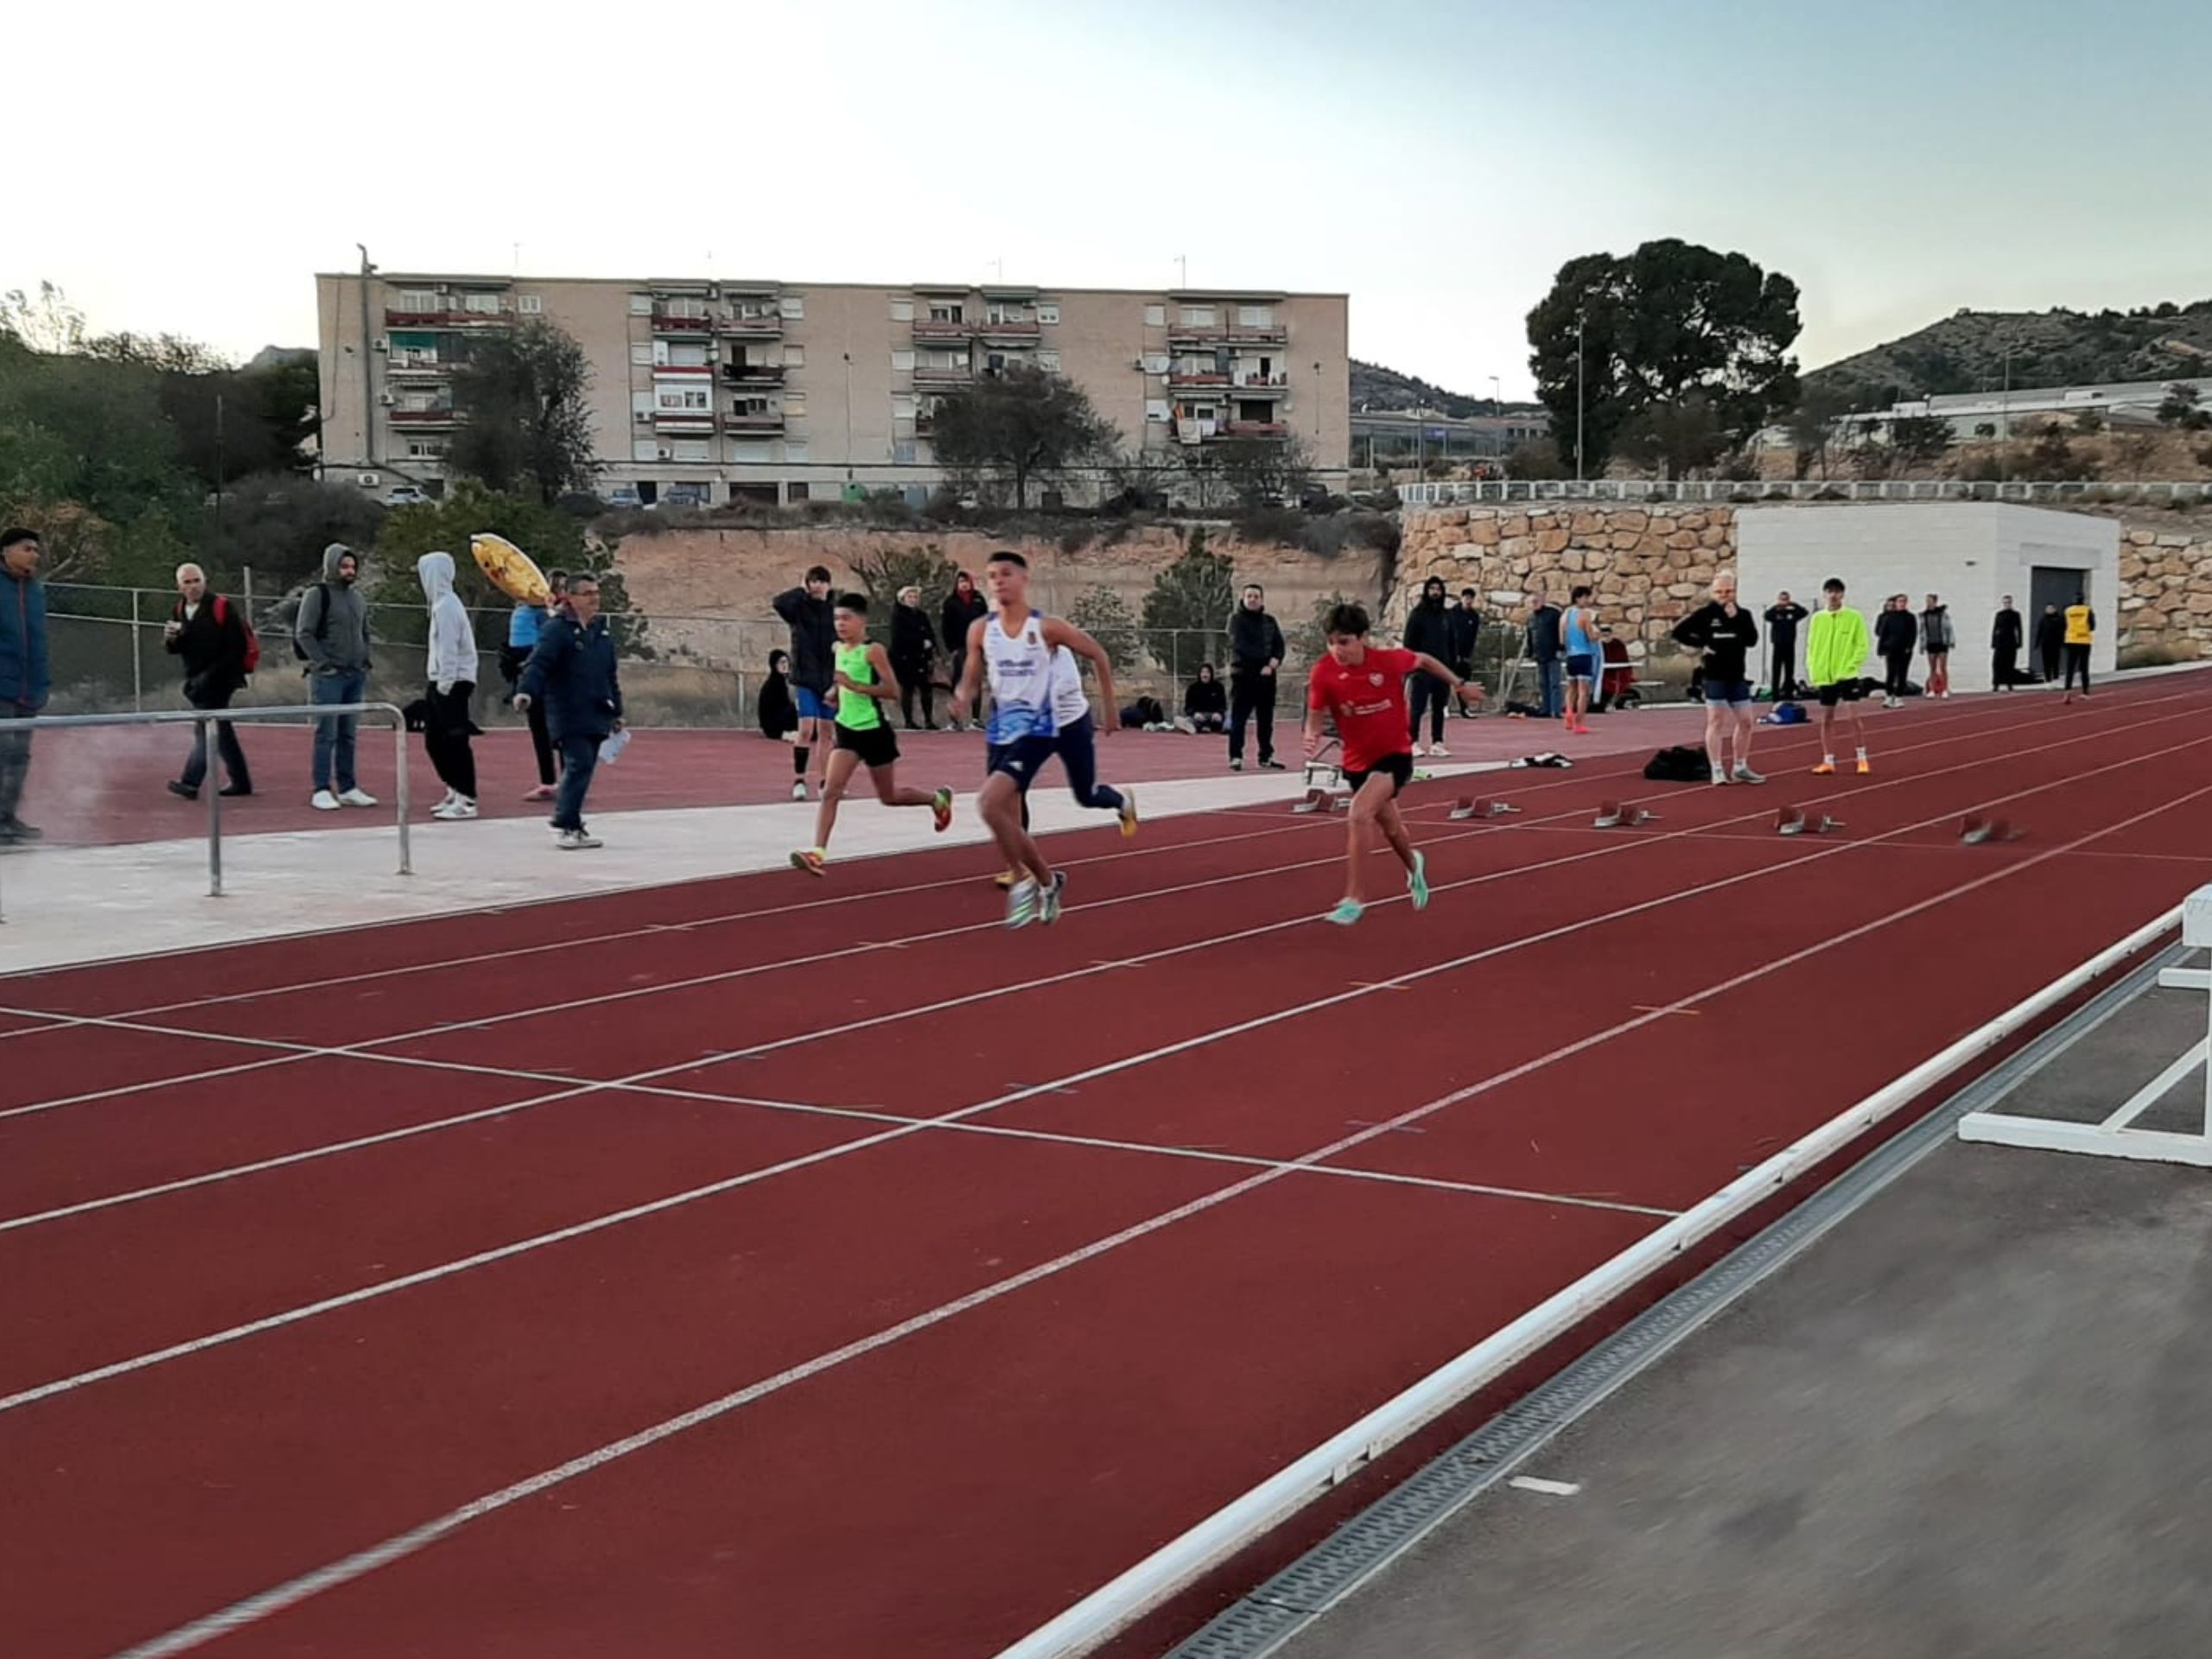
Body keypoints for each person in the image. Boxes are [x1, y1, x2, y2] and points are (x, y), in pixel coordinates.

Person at [950, 550, 1135, 929]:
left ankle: (1041, 874)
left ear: (1024, 580)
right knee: (999, 806)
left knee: (1082, 795)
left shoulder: (1047, 629)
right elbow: (972, 665)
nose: (998, 581)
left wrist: (1111, 708)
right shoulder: (980, 629)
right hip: (1005, 727)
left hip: (1054, 724)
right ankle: (1034, 878)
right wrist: (964, 694)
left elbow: (1098, 653)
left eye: (1005, 574)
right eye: (991, 576)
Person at [1303, 601, 1482, 926]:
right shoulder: (1324, 672)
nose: (1336, 650)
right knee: (1393, 829)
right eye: (1331, 642)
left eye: (1344, 642)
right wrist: (1311, 733)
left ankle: (1354, 898)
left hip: (1395, 756)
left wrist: (1458, 685)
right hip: (1357, 762)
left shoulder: (1387, 662)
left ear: (1363, 638)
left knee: (1358, 814)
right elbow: (1315, 712)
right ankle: (1414, 866)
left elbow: (1425, 660)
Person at [790, 594, 953, 875]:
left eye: (846, 618)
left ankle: (936, 800)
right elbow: (841, 683)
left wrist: (854, 686)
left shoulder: (873, 651)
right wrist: (834, 692)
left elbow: (893, 691)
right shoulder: (838, 649)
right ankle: (818, 853)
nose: (840, 624)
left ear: (862, 621)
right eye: (837, 618)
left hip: (874, 731)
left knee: (889, 797)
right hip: (847, 730)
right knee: (830, 791)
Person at [515, 572, 622, 850]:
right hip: (567, 710)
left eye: (596, 593)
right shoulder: (557, 629)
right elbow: (538, 664)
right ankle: (564, 823)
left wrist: (617, 711)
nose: (594, 598)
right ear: (571, 598)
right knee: (578, 764)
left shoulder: (601, 631)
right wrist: (526, 691)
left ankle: (572, 823)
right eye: (587, 593)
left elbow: (609, 674)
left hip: (596, 710)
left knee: (585, 767)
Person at [295, 542, 377, 810]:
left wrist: (365, 659)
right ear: (332, 566)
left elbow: (364, 631)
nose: (349, 571)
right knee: (326, 733)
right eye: (344, 566)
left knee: (348, 734)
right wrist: (323, 663)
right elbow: (304, 632)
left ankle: (348, 786)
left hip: (355, 674)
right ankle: (321, 787)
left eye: (352, 566)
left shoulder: (357, 598)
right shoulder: (317, 595)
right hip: (329, 676)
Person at [163, 562, 252, 801]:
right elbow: (178, 649)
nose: (193, 586)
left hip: (221, 679)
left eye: (197, 581)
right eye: (187, 582)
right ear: (179, 586)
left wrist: (209, 676)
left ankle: (191, 781)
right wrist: (171, 640)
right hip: (197, 680)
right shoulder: (180, 609)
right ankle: (241, 781)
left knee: (206, 729)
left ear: (205, 581)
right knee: (220, 730)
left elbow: (236, 648)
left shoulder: (221, 606)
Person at [1671, 569, 1764, 785]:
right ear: (1713, 592)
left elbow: (1752, 640)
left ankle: (1740, 766)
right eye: (1720, 591)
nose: (1724, 595)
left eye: (1728, 591)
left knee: (1746, 721)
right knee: (1716, 720)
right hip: (1714, 676)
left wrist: (1736, 618)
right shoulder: (1705, 615)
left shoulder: (1743, 615)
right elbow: (1679, 632)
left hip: (1737, 675)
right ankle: (1717, 768)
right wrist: (1702, 644)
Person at [418, 551, 480, 821]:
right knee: (435, 741)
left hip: (452, 683)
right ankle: (455, 788)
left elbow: (449, 649)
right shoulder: (441, 605)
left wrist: (444, 684)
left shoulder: (446, 607)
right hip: (443, 681)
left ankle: (467, 797)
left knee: (454, 741)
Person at [0, 527, 49, 844]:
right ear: (6, 552)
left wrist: (43, 681)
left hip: (29, 688)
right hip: (2, 686)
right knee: (2, 752)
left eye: (36, 549)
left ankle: (8, 817)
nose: (35, 554)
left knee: (20, 755)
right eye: (27, 548)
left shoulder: (35, 591)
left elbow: (39, 640)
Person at [773, 565, 837, 800]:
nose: (817, 585)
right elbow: (779, 603)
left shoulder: (835, 610)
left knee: (827, 732)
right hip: (806, 677)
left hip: (829, 678)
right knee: (806, 728)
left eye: (822, 581)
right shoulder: (799, 608)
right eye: (813, 581)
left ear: (829, 585)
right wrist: (801, 592)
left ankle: (825, 781)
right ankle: (799, 779)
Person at [506, 569, 566, 803]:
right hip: (530, 675)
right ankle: (548, 782)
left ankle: (567, 780)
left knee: (558, 732)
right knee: (539, 730)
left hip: (550, 679)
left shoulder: (551, 616)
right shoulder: (527, 610)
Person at [1806, 576, 1872, 777]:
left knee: (1853, 717)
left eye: (1837, 591)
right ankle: (1828, 760)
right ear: (1825, 594)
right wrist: (1813, 670)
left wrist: (1851, 666)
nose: (1833, 595)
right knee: (1827, 719)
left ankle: (1861, 758)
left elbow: (1862, 645)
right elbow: (1812, 646)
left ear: (1842, 594)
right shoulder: (1818, 619)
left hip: (1847, 675)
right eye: (1830, 591)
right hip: (1825, 677)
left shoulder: (1854, 617)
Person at [1226, 582, 1286, 772]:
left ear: (1261, 599)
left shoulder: (1270, 621)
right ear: (1243, 598)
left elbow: (1279, 644)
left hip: (1267, 679)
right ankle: (1236, 757)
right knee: (1239, 719)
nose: (1252, 600)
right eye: (1249, 596)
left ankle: (1266, 756)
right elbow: (1240, 646)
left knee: (1266, 720)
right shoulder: (1235, 620)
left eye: (1256, 596)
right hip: (1243, 677)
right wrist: (1263, 664)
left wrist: (1275, 661)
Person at [1402, 575, 1454, 756]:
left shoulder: (1447, 616)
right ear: (1426, 591)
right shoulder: (1418, 615)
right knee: (1418, 707)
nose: (1435, 593)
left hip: (1443, 669)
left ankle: (1437, 742)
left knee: (1439, 708)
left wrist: (1452, 669)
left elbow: (1452, 643)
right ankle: (1413, 742)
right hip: (1422, 670)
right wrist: (1412, 665)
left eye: (1438, 589)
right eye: (1432, 589)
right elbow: (1409, 642)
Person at [940, 570, 988, 730]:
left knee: (976, 681)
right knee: (958, 681)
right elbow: (945, 627)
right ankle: (955, 720)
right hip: (959, 647)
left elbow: (986, 622)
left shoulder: (979, 600)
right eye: (961, 581)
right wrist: (951, 647)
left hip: (977, 647)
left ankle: (975, 719)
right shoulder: (950, 602)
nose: (964, 584)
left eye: (966, 581)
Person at [890, 584, 939, 730]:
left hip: (922, 658)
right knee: (908, 689)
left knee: (926, 689)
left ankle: (929, 720)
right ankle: (908, 721)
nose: (913, 600)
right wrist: (920, 642)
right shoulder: (898, 615)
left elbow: (930, 632)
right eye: (910, 597)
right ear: (902, 599)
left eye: (915, 597)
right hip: (905, 658)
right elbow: (899, 637)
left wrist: (931, 644)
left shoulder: (922, 615)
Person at [1560, 585, 1599, 734]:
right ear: (1578, 598)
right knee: (1583, 691)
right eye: (1586, 597)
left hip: (1571, 655)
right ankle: (1579, 722)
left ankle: (1569, 712)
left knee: (1571, 688)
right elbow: (1590, 636)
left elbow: (1562, 639)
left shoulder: (1565, 615)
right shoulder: (1585, 615)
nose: (1588, 601)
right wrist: (1598, 635)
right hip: (1584, 654)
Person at [1874, 593, 1917, 709]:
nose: (1902, 604)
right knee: (1891, 673)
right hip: (1891, 649)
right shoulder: (1889, 617)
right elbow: (1883, 634)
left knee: (1902, 673)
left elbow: (1913, 634)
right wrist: (1881, 649)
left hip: (1904, 650)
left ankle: (1899, 697)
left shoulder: (1910, 617)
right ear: (1896, 603)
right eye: (1900, 601)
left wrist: (1910, 646)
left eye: (1904, 601)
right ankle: (1889, 696)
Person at [1525, 590, 1563, 718]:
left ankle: (1556, 710)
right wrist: (1529, 652)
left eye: (1536, 601)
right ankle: (1546, 709)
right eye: (1532, 602)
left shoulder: (1554, 614)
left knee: (1554, 683)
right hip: (1539, 655)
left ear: (1543, 601)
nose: (1534, 604)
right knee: (1542, 684)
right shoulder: (1531, 618)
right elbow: (1530, 637)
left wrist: (1561, 648)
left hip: (1553, 653)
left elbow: (1561, 632)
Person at [1764, 590, 1808, 699]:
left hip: (1789, 645)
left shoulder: (1792, 613)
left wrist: (1792, 605)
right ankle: (1775, 694)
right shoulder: (1775, 613)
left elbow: (1804, 612)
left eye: (1786, 600)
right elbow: (1766, 616)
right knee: (1776, 671)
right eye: (1782, 600)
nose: (1784, 602)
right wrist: (1777, 606)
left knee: (1789, 671)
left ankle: (1788, 693)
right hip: (1778, 645)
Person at [1447, 588, 1483, 717]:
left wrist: (1469, 654)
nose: (1468, 601)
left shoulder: (1474, 616)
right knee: (1447, 680)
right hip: (1451, 653)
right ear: (1461, 598)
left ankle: (1465, 709)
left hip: (1466, 655)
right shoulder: (1451, 614)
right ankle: (1444, 707)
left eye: (1471, 598)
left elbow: (1473, 636)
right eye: (1466, 598)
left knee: (1464, 682)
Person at [1920, 593, 1955, 699]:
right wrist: (1922, 645)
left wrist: (1951, 641)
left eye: (1930, 601)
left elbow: (1949, 628)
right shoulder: (1924, 615)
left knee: (1943, 667)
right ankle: (1932, 689)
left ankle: (1945, 689)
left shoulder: (1943, 614)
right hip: (1931, 643)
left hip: (1942, 642)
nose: (1928, 603)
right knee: (1932, 667)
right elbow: (1921, 631)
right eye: (1927, 601)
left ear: (1935, 602)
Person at [2063, 593, 2096, 702]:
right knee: (2084, 667)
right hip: (2084, 640)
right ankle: (2085, 692)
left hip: (2071, 640)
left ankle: (2067, 692)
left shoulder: (2068, 611)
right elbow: (2092, 626)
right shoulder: (2087, 610)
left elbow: (2063, 625)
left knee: (2070, 668)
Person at [759, 648, 798, 741]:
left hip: (778, 723)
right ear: (774, 665)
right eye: (781, 663)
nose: (785, 665)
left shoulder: (781, 681)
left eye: (786, 662)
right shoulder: (774, 684)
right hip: (774, 727)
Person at [1182, 663, 1227, 734]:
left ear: (1211, 674)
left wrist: (1219, 713)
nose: (1205, 675)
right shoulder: (1193, 688)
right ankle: (1192, 727)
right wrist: (1195, 714)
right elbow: (1188, 707)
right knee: (1186, 720)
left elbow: (1223, 705)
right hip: (1198, 717)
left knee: (1229, 718)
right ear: (1199, 674)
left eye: (1207, 672)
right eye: (1203, 672)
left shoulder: (1219, 687)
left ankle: (1226, 728)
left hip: (1214, 717)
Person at [1993, 595, 2024, 690]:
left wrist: (2020, 642)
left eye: (2009, 602)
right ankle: (1996, 684)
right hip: (2000, 642)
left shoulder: (2016, 614)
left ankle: (2009, 684)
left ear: (2011, 603)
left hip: (2011, 642)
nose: (2007, 604)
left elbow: (2019, 629)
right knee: (1997, 664)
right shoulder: (1999, 614)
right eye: (2005, 603)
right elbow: (1995, 629)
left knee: (2010, 664)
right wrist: (1993, 642)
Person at [2035, 601, 2066, 683]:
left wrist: (2063, 642)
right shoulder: (2043, 619)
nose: (2049, 610)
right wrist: (2037, 643)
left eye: (2051, 608)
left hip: (2056, 644)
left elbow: (2063, 631)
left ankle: (2056, 677)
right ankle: (2048, 678)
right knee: (2046, 662)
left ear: (2054, 609)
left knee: (2055, 662)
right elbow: (2039, 632)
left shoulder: (2059, 619)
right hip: (2045, 644)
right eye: (2048, 609)